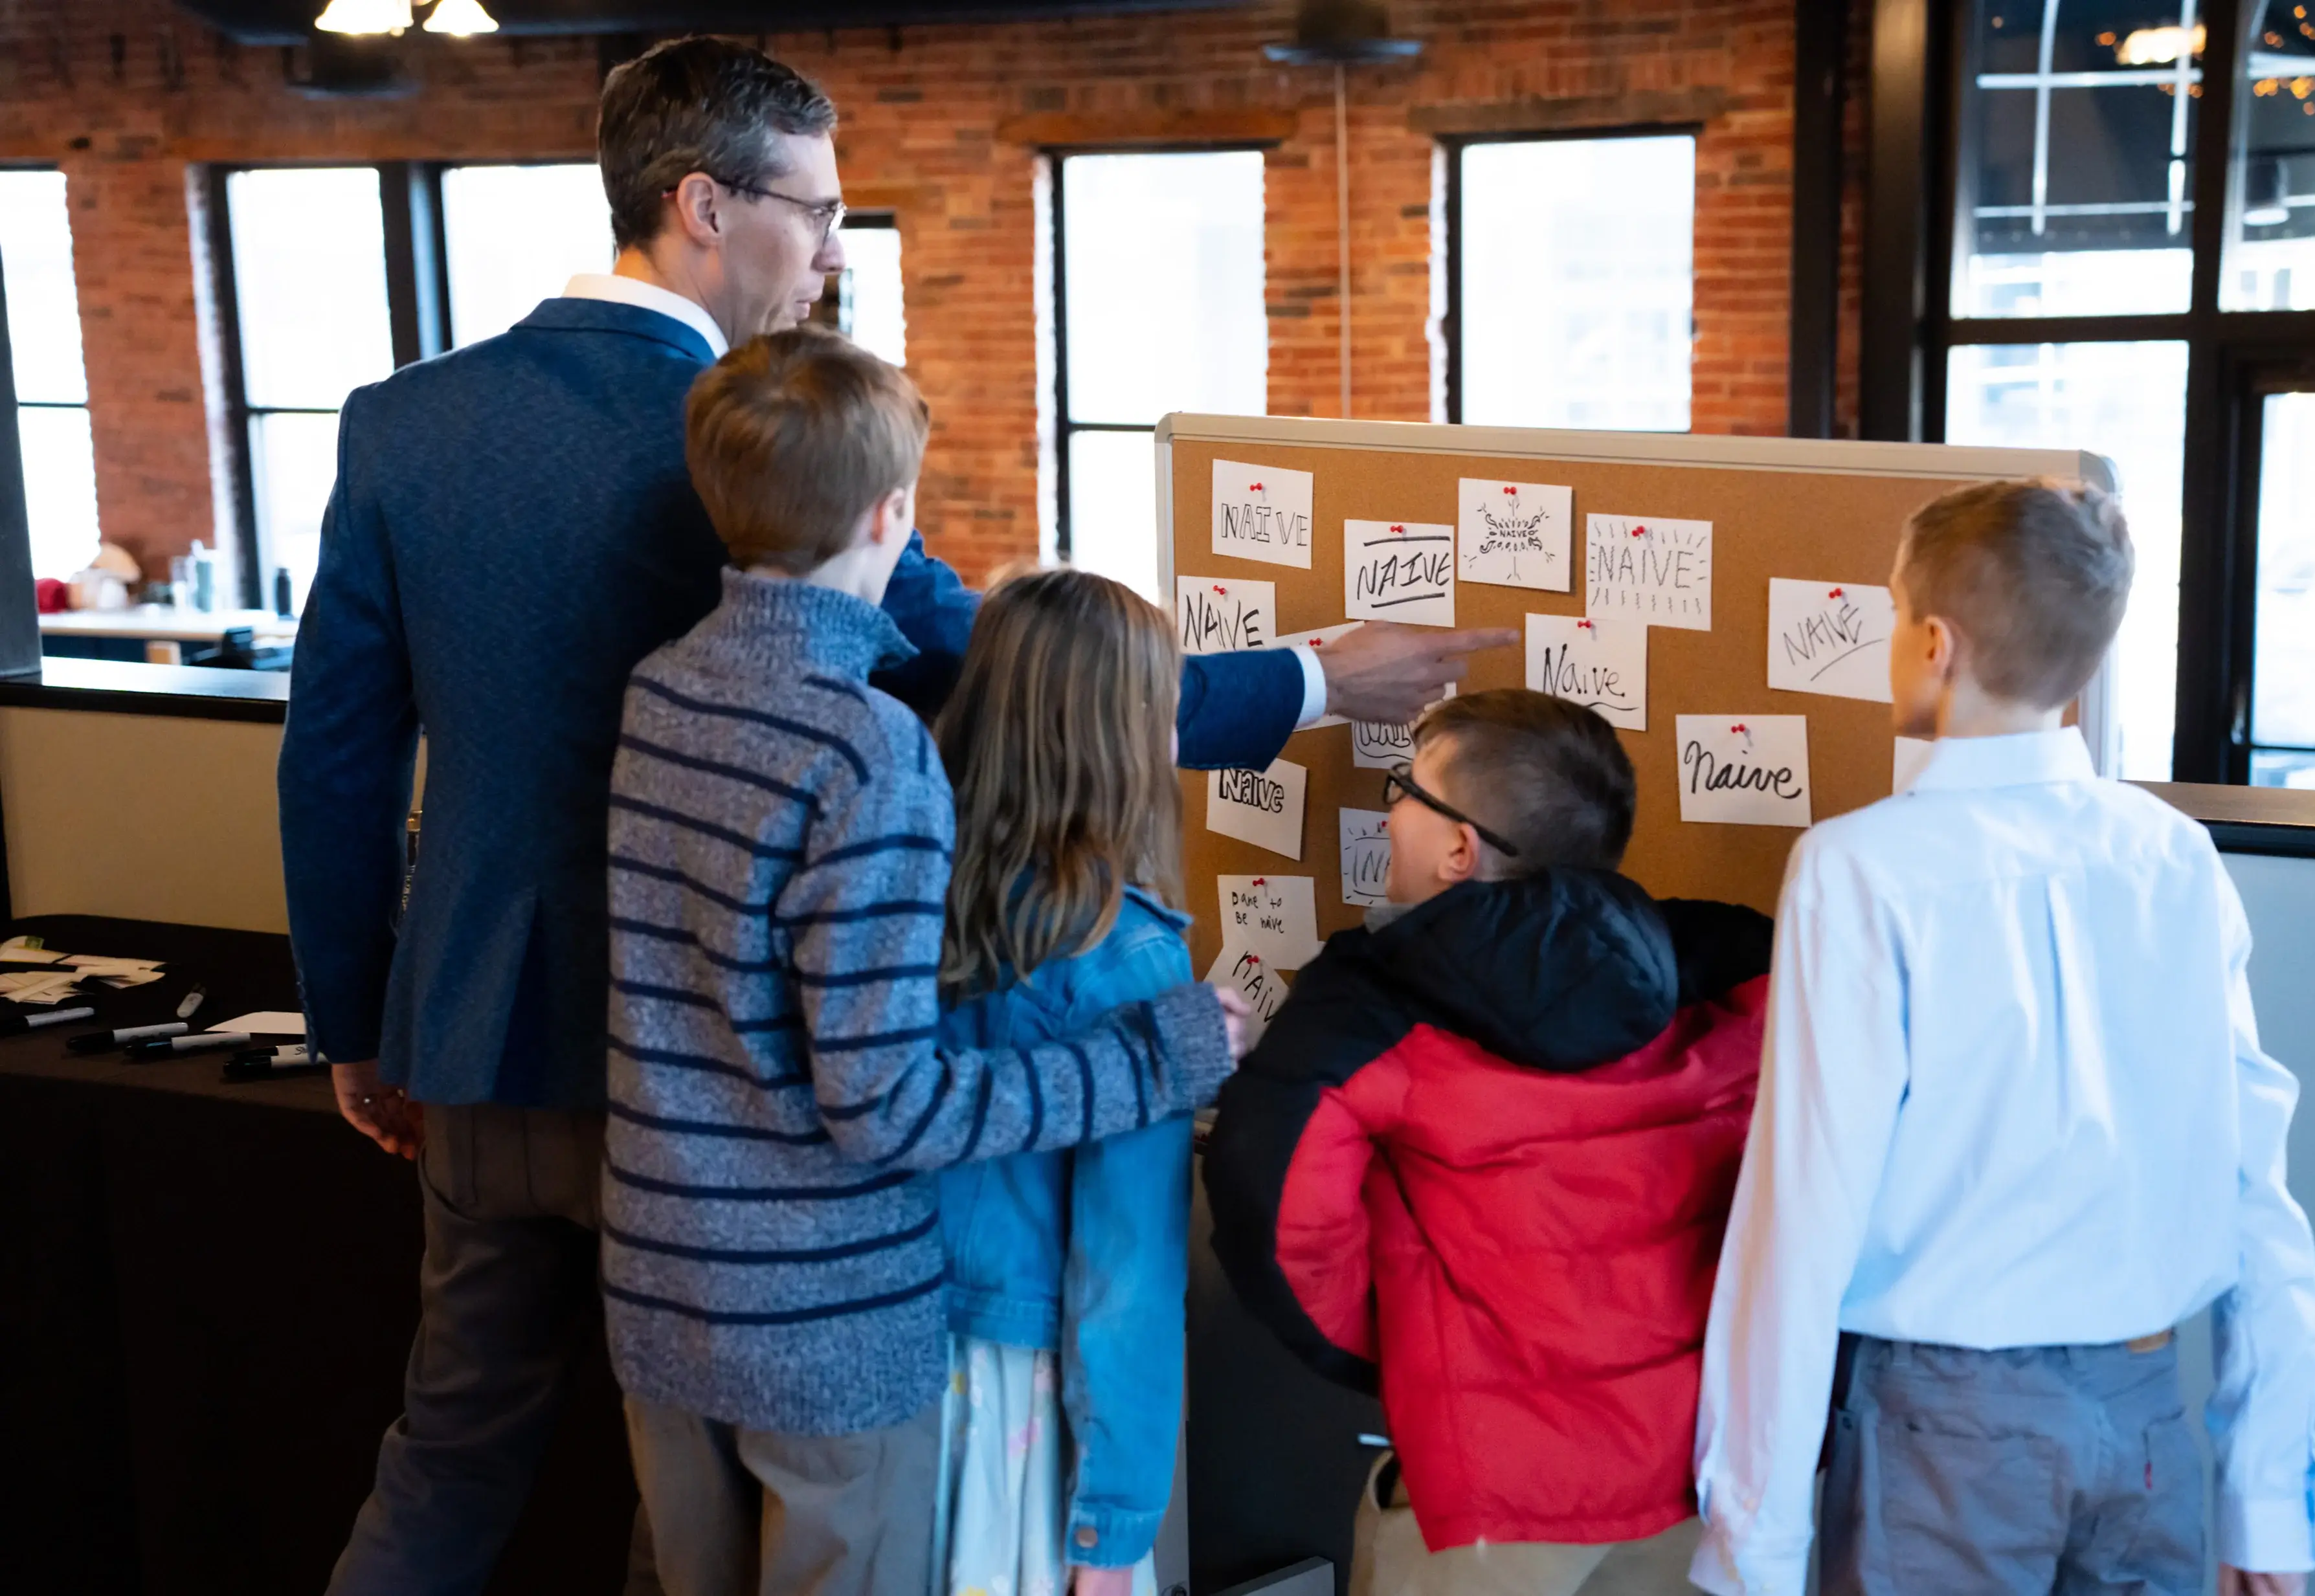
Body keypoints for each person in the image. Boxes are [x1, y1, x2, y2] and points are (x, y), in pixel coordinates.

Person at [278, 34, 1496, 1595]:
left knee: (452, 1456)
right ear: (703, 203)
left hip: (473, 1041)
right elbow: (1020, 682)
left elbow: (336, 756)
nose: (834, 253)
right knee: (706, 1510)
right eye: (818, 210)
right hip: (749, 1114)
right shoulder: (783, 440)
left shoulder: (406, 421)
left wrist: (355, 1024)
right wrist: (1315, 685)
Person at [603, 326, 1242, 1596]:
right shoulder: (870, 757)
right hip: (836, 1324)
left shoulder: (663, 688)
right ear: (892, 513)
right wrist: (1156, 1060)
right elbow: (887, 1105)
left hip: (671, 1287)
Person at [1690, 480, 2315, 1596]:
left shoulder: (1860, 868)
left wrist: (1754, 1545)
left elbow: (1802, 1218)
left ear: (1933, 643)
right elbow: (2254, 1190)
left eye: (1891, 617)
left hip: (1948, 1433)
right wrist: (2263, 1497)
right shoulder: (2174, 857)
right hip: (2144, 1422)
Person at [1205, 689, 1774, 1596]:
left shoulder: (1366, 1003)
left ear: (1457, 849)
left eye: (1404, 790)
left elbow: (1275, 1217)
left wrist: (1412, 1356)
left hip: (1489, 1495)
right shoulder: (1727, 962)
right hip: (1696, 1473)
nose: (1387, 811)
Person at [927, 567, 1200, 1596]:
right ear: (1121, 735)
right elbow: (1127, 1276)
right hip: (1024, 1409)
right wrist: (1115, 1529)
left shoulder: (892, 889)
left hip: (877, 1370)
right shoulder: (1128, 958)